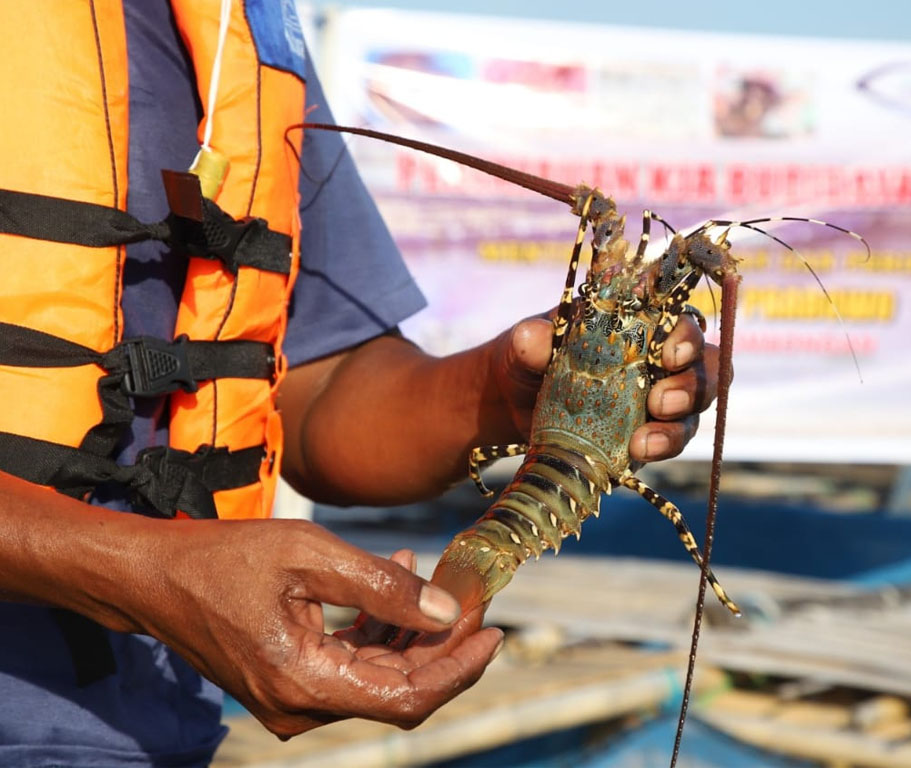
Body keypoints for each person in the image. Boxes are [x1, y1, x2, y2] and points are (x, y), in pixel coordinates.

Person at [0, 2, 719, 766]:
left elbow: (315, 387)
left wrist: (504, 388)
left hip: (154, 732)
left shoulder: (246, 33)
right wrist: (142, 572)